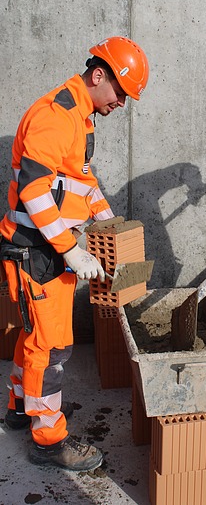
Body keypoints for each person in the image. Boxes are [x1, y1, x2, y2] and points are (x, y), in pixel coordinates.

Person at [0, 36, 149, 471]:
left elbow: (81, 182)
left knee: (37, 341)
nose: (122, 103)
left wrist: (108, 224)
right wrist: (72, 250)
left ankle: (18, 408)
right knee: (54, 348)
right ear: (98, 75)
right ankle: (47, 439)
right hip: (38, 252)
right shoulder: (56, 115)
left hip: (52, 251)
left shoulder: (82, 120)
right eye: (120, 93)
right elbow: (32, 188)